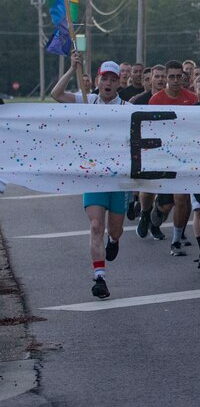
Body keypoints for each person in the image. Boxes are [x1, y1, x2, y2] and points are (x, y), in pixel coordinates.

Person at [51, 54, 132, 299]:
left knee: (114, 230)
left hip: (118, 177)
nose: (108, 82)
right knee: (96, 226)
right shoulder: (88, 101)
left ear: (119, 83)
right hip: (93, 175)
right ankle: (99, 278)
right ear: (98, 80)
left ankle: (114, 241)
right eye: (104, 78)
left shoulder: (128, 108)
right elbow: (56, 94)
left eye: (113, 79)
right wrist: (71, 68)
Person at [149, 61, 198, 256]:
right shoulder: (155, 100)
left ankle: (176, 240)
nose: (176, 80)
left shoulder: (192, 99)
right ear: (166, 78)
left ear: (184, 78)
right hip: (164, 156)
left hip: (186, 156)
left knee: (182, 199)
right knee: (169, 203)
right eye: (172, 77)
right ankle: (157, 209)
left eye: (179, 76)